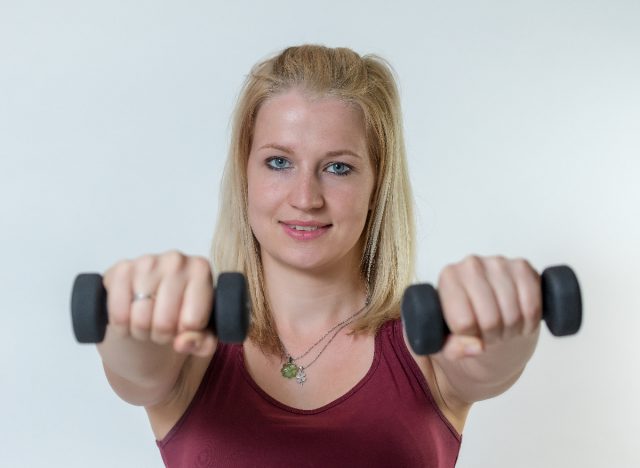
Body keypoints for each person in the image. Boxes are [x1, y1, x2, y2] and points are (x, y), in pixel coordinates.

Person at [98, 45, 542, 467]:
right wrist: (131, 319)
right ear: (244, 173)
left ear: (376, 186)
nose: (306, 197)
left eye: (338, 168)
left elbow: (489, 365)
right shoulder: (191, 350)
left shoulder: (423, 346)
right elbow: (137, 371)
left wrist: (507, 316)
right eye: (278, 162)